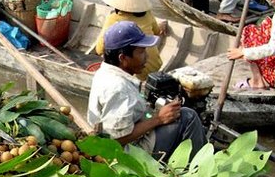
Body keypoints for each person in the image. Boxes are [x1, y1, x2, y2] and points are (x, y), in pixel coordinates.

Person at [88, 21, 207, 158]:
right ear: (123, 58)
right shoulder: (119, 89)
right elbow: (115, 140)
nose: (147, 56)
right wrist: (158, 119)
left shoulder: (103, 72)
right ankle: (198, 167)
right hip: (124, 154)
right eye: (141, 51)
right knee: (188, 116)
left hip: (110, 141)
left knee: (176, 113)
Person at [95, 0, 166, 80]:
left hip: (135, 70)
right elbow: (157, 31)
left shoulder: (114, 18)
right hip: (155, 66)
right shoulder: (148, 15)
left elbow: (99, 49)